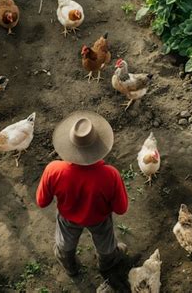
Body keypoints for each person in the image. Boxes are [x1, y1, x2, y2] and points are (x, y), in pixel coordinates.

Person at [36, 110, 128, 276]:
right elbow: (121, 208)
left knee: (64, 244)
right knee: (105, 243)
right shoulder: (110, 175)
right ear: (99, 145)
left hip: (68, 218)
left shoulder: (53, 170)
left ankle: (69, 266)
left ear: (68, 145)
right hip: (99, 219)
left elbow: (42, 201)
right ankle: (106, 263)